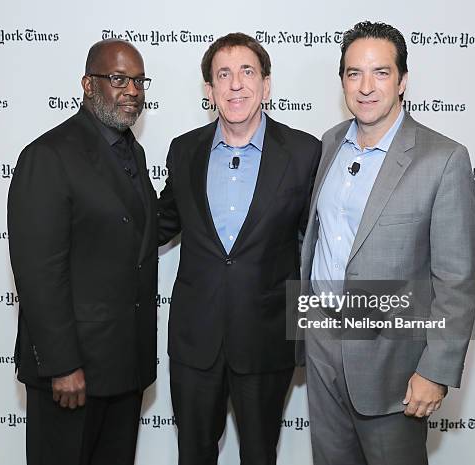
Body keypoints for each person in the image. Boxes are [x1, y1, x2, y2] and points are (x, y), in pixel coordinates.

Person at [299, 21, 475, 465]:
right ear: (341, 79)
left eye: (380, 72)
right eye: (353, 73)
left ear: (402, 80)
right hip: (322, 343)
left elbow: (456, 280)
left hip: (394, 363)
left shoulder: (443, 159)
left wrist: (435, 371)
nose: (365, 87)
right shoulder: (328, 144)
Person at [158, 32, 321, 465]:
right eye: (223, 75)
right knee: (192, 454)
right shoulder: (184, 150)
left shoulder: (305, 153)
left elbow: (315, 245)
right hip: (195, 341)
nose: (235, 85)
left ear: (266, 85)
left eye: (247, 72)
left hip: (267, 338)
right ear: (209, 90)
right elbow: (160, 223)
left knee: (259, 455)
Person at [7, 39, 157, 465]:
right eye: (118, 79)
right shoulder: (49, 156)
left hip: (123, 371)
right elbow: (39, 272)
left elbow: (133, 238)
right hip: (73, 377)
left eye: (139, 81)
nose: (132, 90)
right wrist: (62, 365)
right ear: (88, 85)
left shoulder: (133, 152)